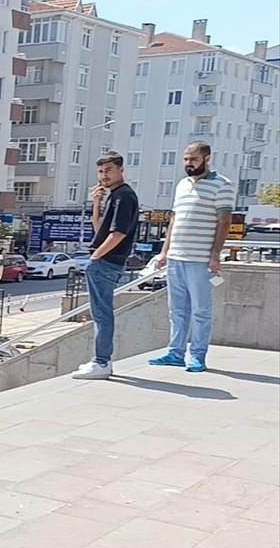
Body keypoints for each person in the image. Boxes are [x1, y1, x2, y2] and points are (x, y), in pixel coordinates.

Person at [149, 141, 234, 373]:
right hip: (176, 257)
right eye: (186, 159)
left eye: (193, 159)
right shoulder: (182, 185)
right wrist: (165, 251)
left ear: (206, 159)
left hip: (200, 259)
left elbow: (224, 222)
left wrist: (215, 254)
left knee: (201, 310)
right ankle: (175, 352)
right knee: (176, 309)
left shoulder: (222, 185)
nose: (188, 163)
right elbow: (174, 219)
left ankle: (197, 355)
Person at [72, 152, 139, 380]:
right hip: (104, 260)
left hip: (107, 262)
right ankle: (100, 360)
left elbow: (118, 233)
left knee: (102, 314)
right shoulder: (114, 195)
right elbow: (100, 228)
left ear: (121, 170)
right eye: (100, 171)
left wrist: (96, 257)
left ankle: (101, 362)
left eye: (108, 170)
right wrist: (97, 202)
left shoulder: (124, 196)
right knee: (99, 313)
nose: (104, 176)